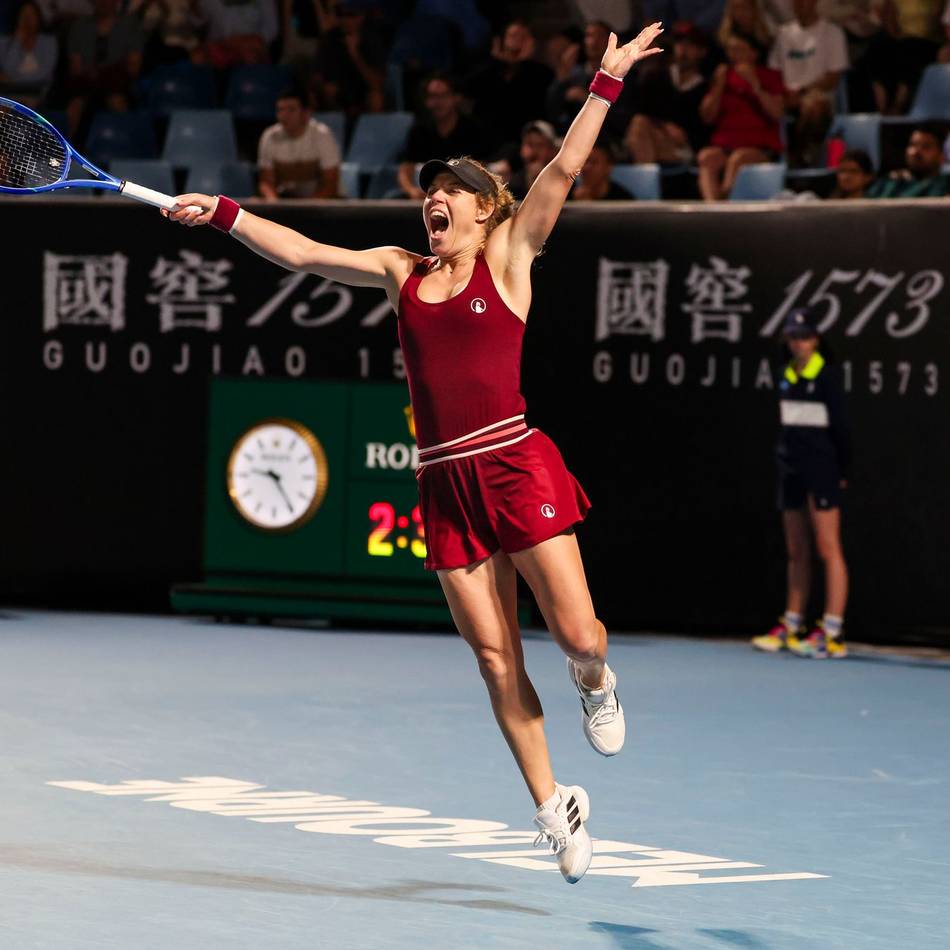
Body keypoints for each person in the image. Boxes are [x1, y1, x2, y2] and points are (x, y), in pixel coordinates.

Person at [166, 22, 665, 886]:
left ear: (484, 209)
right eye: (427, 193)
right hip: (443, 483)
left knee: (578, 634)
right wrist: (225, 212)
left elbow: (561, 173)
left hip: (514, 461)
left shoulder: (509, 257)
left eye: (450, 193)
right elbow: (306, 253)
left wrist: (605, 85)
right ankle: (554, 806)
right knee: (491, 654)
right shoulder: (400, 269)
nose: (432, 201)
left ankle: (594, 680)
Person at [753, 306, 850, 660]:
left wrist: (842, 470)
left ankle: (833, 630)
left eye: (805, 337)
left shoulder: (827, 375)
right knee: (797, 550)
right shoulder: (784, 374)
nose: (799, 343)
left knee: (828, 547)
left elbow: (842, 430)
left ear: (816, 339)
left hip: (822, 470)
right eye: (793, 337)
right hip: (790, 469)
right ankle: (793, 624)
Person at [697, 31, 785, 200]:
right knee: (706, 157)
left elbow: (777, 113)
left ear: (754, 53)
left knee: (739, 159)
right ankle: (712, 208)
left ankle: (723, 204)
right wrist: (718, 86)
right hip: (726, 146)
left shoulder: (769, 76)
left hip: (760, 147)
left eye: (739, 50)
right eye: (731, 50)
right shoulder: (723, 78)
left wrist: (754, 84)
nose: (734, 55)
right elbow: (707, 116)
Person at [768, 0, 848, 166]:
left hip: (819, 96)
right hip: (786, 96)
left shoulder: (832, 32)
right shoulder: (783, 34)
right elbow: (773, 73)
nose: (800, 5)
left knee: (813, 106)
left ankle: (799, 157)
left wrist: (802, 92)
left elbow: (832, 78)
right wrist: (785, 93)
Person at [626, 20, 710, 164]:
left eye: (690, 45)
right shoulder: (656, 76)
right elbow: (641, 110)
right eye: (679, 43)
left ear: (702, 51)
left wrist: (683, 135)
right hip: (653, 135)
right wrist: (664, 126)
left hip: (687, 147)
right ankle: (648, 181)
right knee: (639, 124)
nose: (683, 50)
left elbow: (704, 126)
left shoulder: (706, 86)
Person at [463, 19, 554, 151]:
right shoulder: (490, 70)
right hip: (489, 139)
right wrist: (497, 62)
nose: (517, 41)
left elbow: (528, 101)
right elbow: (468, 87)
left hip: (526, 141)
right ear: (502, 40)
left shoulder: (540, 73)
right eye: (513, 36)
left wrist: (522, 63)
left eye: (523, 37)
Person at [398, 73, 487, 200]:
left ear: (456, 98)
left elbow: (481, 168)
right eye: (432, 96)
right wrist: (412, 190)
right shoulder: (419, 131)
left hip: (464, 194)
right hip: (426, 194)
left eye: (443, 96)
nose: (437, 102)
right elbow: (406, 168)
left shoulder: (472, 129)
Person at [65, 0, 144, 137]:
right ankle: (68, 152)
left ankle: (125, 145)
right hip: (87, 83)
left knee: (116, 99)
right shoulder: (79, 27)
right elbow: (75, 68)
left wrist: (107, 71)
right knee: (75, 105)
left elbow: (134, 66)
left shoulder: (131, 25)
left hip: (118, 83)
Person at [257, 88, 342, 199]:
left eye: (291, 110)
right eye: (280, 110)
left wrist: (308, 210)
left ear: (306, 113)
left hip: (320, 205)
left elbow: (330, 184)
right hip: (285, 203)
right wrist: (274, 205)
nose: (284, 115)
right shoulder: (269, 136)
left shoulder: (322, 135)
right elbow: (266, 182)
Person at [0, 0, 58, 108]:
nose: (27, 19)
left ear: (38, 18)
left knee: (29, 105)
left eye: (31, 15)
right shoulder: (4, 42)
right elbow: (9, 69)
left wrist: (13, 79)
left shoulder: (49, 42)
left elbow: (44, 73)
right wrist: (17, 41)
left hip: (39, 91)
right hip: (10, 92)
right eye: (24, 15)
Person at [867, 124, 950, 197]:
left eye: (926, 146)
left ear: (942, 155)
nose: (916, 151)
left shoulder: (945, 184)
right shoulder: (889, 181)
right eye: (912, 145)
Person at [507, 119, 559, 199]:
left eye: (540, 145)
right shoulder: (514, 185)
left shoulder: (563, 182)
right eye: (529, 144)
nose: (534, 151)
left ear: (552, 151)